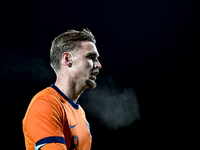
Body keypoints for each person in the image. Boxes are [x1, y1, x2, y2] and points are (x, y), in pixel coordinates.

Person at [22, 29, 102, 150]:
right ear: (68, 59)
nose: (98, 65)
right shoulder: (45, 104)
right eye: (91, 57)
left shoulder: (80, 112)